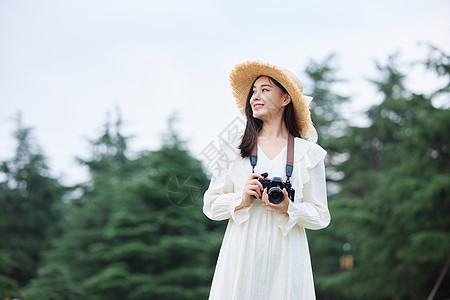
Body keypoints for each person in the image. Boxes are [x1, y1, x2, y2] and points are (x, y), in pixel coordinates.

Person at [203, 61, 331, 300]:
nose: (255, 96)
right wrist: (241, 199)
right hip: (241, 252)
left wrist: (289, 208)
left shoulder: (309, 154)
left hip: (287, 256)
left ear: (285, 99)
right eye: (253, 91)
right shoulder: (233, 148)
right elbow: (210, 206)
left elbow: (321, 216)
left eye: (265, 89)